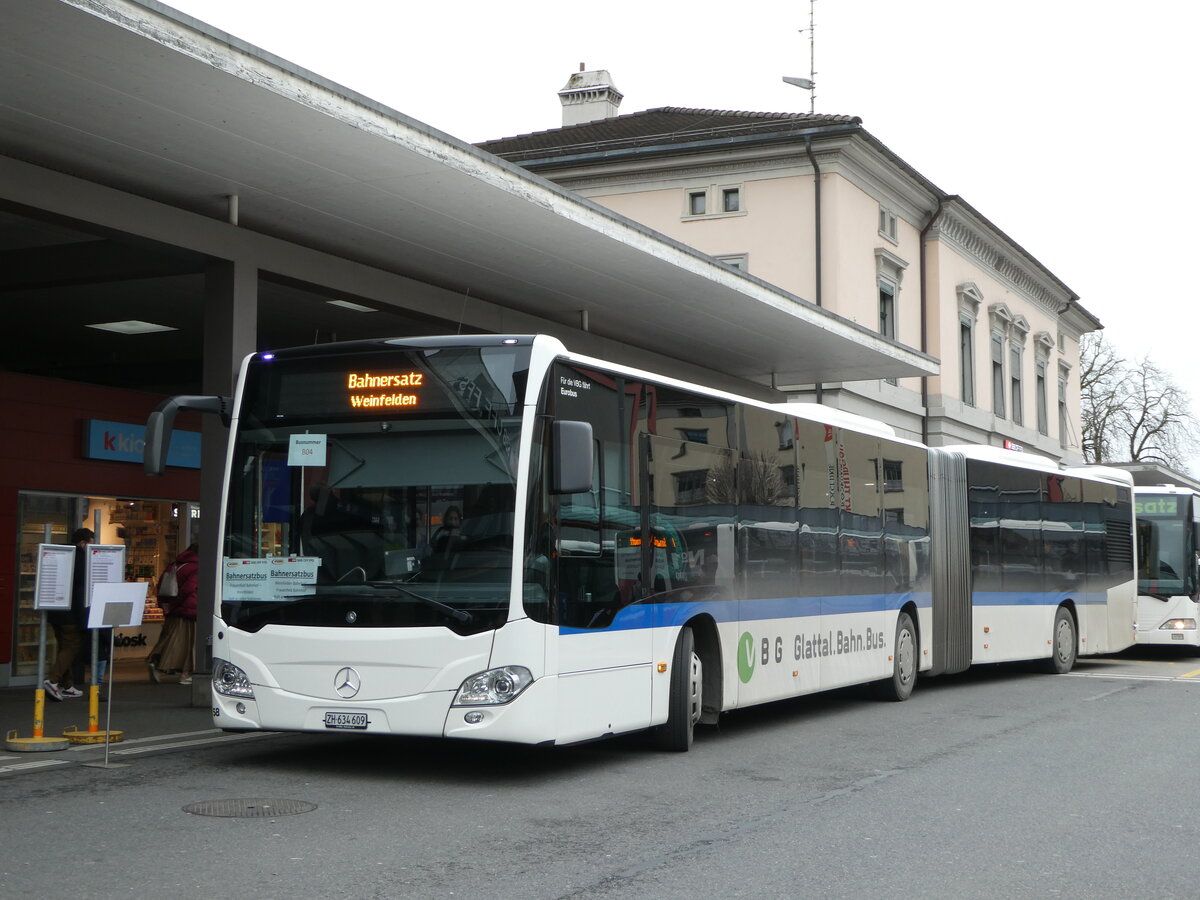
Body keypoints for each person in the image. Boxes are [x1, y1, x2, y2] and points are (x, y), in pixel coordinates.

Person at [44, 527, 93, 701]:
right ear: (83, 543)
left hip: (55, 610)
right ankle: (53, 680)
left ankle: (67, 685)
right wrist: (83, 618)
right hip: (71, 614)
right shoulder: (81, 560)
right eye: (91, 543)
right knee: (71, 646)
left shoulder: (62, 555)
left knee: (64, 647)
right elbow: (80, 591)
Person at [147, 542, 199, 685]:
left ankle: (156, 661)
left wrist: (167, 605)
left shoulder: (174, 565)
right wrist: (177, 603)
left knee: (170, 639)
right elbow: (189, 589)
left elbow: (162, 586)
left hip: (174, 610)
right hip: (189, 610)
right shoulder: (197, 567)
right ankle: (187, 673)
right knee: (189, 645)